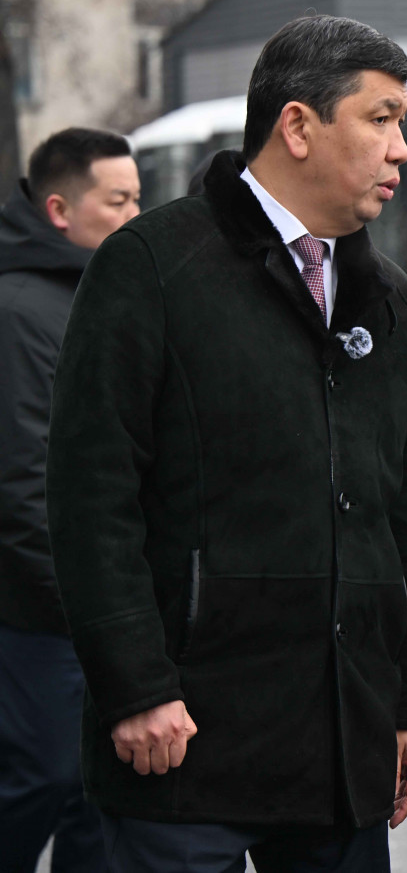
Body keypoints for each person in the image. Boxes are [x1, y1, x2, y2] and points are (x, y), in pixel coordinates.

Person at [46, 15, 407, 873]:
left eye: (402, 122)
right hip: (183, 744)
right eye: (380, 118)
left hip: (342, 748)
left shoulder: (389, 298)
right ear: (298, 125)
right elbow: (90, 494)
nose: (401, 148)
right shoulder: (151, 263)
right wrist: (135, 686)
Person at [0, 128, 140, 873]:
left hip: (93, 603)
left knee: (98, 795)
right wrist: (95, 605)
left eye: (138, 199)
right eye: (117, 201)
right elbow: (24, 485)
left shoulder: (95, 294)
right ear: (59, 210)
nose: (134, 216)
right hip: (44, 614)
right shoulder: (23, 311)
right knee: (47, 778)